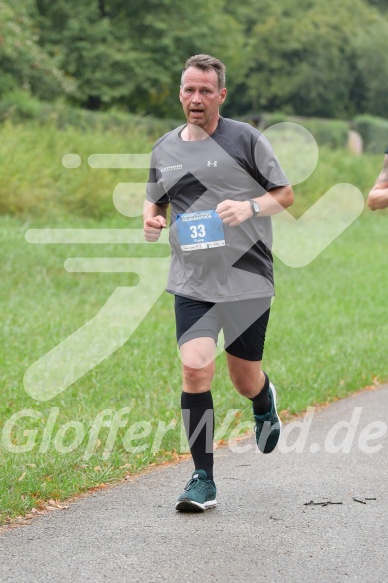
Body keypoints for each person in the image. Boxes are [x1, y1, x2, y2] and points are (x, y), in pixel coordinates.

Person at [143, 54, 294, 512]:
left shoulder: (245, 139)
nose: (196, 98)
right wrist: (150, 221)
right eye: (189, 89)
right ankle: (202, 479)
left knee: (243, 378)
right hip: (192, 279)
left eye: (205, 90)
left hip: (247, 278)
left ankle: (263, 398)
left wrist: (249, 207)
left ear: (221, 95)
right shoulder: (164, 149)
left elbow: (283, 195)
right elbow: (155, 203)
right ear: (180, 93)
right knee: (194, 369)